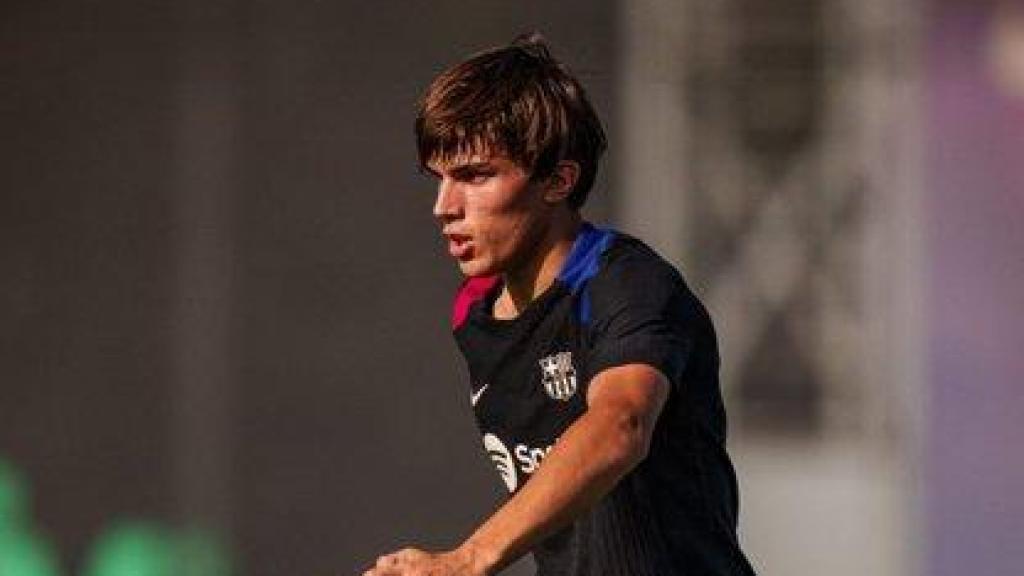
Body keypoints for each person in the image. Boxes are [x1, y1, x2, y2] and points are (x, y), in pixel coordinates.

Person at [364, 34, 757, 576]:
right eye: (440, 179)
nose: (444, 207)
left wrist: (469, 559)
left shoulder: (627, 284)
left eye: (475, 176)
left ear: (558, 179)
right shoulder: (475, 309)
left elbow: (620, 424)